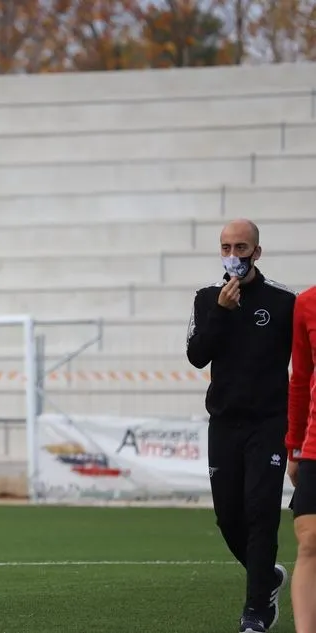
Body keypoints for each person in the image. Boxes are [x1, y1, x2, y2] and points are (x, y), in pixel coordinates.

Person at [186, 218, 297, 633]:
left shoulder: (284, 301)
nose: (233, 256)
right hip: (224, 424)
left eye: (241, 248)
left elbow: (302, 362)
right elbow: (197, 355)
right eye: (226, 247)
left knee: (260, 512)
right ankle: (267, 577)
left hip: (269, 423)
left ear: (257, 252)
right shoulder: (206, 299)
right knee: (229, 517)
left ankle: (256, 610)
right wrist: (221, 311)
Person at [285, 285, 316, 632]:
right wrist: (293, 446)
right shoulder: (306, 304)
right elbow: (301, 378)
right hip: (314, 445)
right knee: (309, 538)